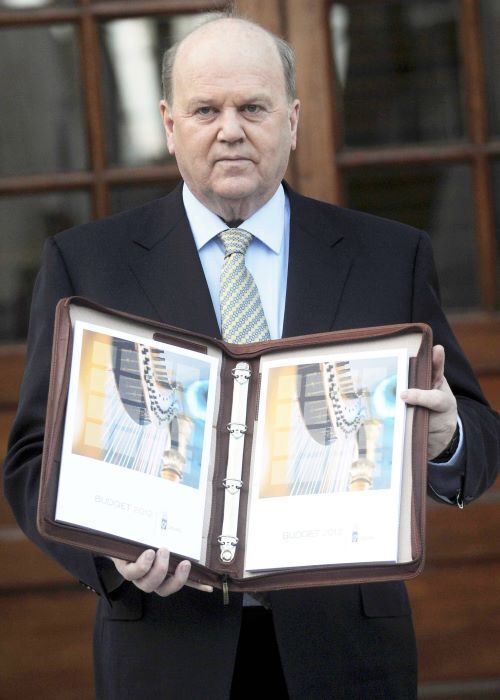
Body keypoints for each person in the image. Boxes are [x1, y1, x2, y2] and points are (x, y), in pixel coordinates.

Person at [4, 15, 499, 700]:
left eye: (253, 108)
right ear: (170, 124)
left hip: (344, 656)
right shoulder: (88, 264)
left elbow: (478, 441)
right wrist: (110, 555)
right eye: (206, 110)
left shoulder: (389, 256)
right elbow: (31, 460)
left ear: (292, 121)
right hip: (168, 653)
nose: (230, 130)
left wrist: (447, 438)